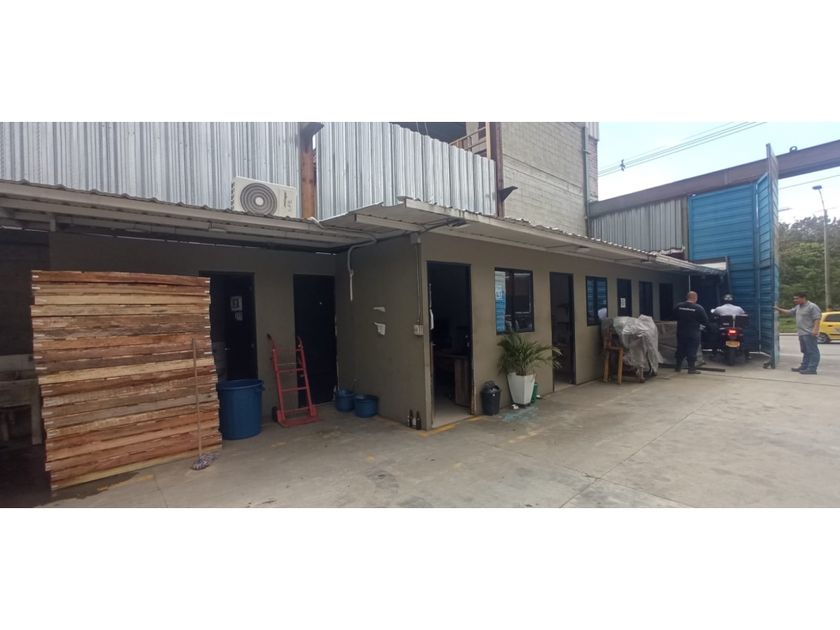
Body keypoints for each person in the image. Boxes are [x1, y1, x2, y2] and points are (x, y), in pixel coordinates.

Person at [774, 292, 821, 375]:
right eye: (794, 298)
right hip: (801, 333)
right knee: (805, 351)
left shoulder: (812, 306)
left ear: (803, 298)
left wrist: (815, 330)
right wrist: (778, 309)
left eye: (797, 298)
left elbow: (817, 318)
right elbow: (790, 312)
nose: (795, 300)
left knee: (813, 351)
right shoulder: (798, 307)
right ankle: (804, 366)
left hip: (809, 333)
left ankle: (812, 369)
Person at [673, 290, 708, 374]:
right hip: (693, 332)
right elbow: (705, 321)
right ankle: (691, 369)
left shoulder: (679, 306)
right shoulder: (699, 308)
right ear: (695, 298)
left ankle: (678, 367)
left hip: (681, 332)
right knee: (692, 349)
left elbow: (674, 317)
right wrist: (701, 328)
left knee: (680, 348)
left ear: (687, 297)